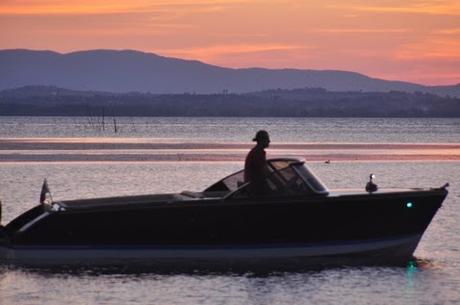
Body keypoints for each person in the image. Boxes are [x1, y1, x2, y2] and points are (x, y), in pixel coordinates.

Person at [244, 130, 271, 195]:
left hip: (257, 186)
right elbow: (265, 172)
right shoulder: (257, 153)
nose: (269, 141)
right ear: (262, 140)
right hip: (256, 189)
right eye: (267, 139)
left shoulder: (258, 151)